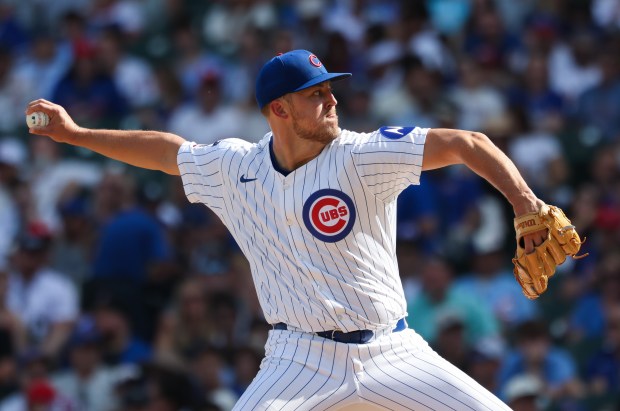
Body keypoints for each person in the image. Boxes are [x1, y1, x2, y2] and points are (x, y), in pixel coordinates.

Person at [26, 49, 548, 410]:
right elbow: (164, 151)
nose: (332, 101)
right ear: (279, 109)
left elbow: (467, 142)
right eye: (315, 94)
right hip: (299, 360)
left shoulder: (362, 155)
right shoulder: (235, 169)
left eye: (329, 90)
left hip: (394, 351)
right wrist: (76, 135)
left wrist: (526, 204)